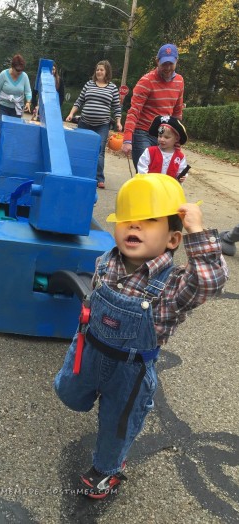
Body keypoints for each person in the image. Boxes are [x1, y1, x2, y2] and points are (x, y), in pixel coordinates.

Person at [54, 173, 228, 499]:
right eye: (126, 221)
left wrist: (197, 231)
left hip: (129, 371)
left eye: (148, 220)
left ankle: (106, 471)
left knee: (116, 426)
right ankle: (86, 392)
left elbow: (209, 281)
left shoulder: (175, 286)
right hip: (90, 350)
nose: (133, 227)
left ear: (173, 239)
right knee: (69, 393)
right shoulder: (106, 261)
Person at [122, 44, 184, 171]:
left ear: (177, 61)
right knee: (146, 173)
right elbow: (134, 111)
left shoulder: (179, 81)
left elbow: (177, 113)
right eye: (164, 64)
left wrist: (177, 141)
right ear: (157, 61)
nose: (167, 68)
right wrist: (127, 139)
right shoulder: (146, 81)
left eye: (170, 64)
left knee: (162, 173)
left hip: (164, 134)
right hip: (143, 133)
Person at [66, 60, 122, 189]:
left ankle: (99, 178)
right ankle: (76, 172)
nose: (99, 72)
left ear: (107, 71)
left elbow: (116, 108)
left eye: (102, 70)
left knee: (99, 151)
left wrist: (118, 122)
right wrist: (71, 114)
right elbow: (79, 101)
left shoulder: (112, 87)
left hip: (102, 125)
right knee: (80, 148)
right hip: (84, 122)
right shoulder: (89, 84)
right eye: (97, 70)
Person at [137, 115, 190, 183]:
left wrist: (181, 177)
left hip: (168, 189)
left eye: (166, 137)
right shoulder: (150, 152)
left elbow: (181, 171)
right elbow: (142, 167)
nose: (162, 139)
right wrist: (145, 179)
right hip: (151, 187)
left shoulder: (180, 157)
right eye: (160, 136)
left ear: (176, 139)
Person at [0, 54, 32, 120]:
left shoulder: (24, 76)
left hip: (17, 108)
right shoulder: (3, 74)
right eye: (17, 71)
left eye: (21, 71)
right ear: (12, 67)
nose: (19, 73)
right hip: (3, 107)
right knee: (3, 127)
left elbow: (28, 92)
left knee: (13, 129)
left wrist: (28, 102)